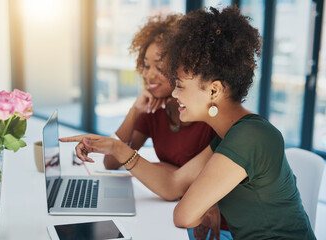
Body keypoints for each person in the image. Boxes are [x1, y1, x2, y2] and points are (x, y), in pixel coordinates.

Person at [60, 6, 316, 239]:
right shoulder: (229, 135)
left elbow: (183, 214)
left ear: (214, 91)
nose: (174, 93)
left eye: (181, 86)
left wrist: (200, 206)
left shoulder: (251, 136)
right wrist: (117, 148)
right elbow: (173, 185)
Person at [103, 14, 231, 240]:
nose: (149, 74)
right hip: (169, 207)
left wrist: (167, 172)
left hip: (208, 223)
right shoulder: (154, 109)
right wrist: (135, 111)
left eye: (160, 68)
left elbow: (180, 186)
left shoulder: (209, 115)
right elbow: (111, 162)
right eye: (145, 66)